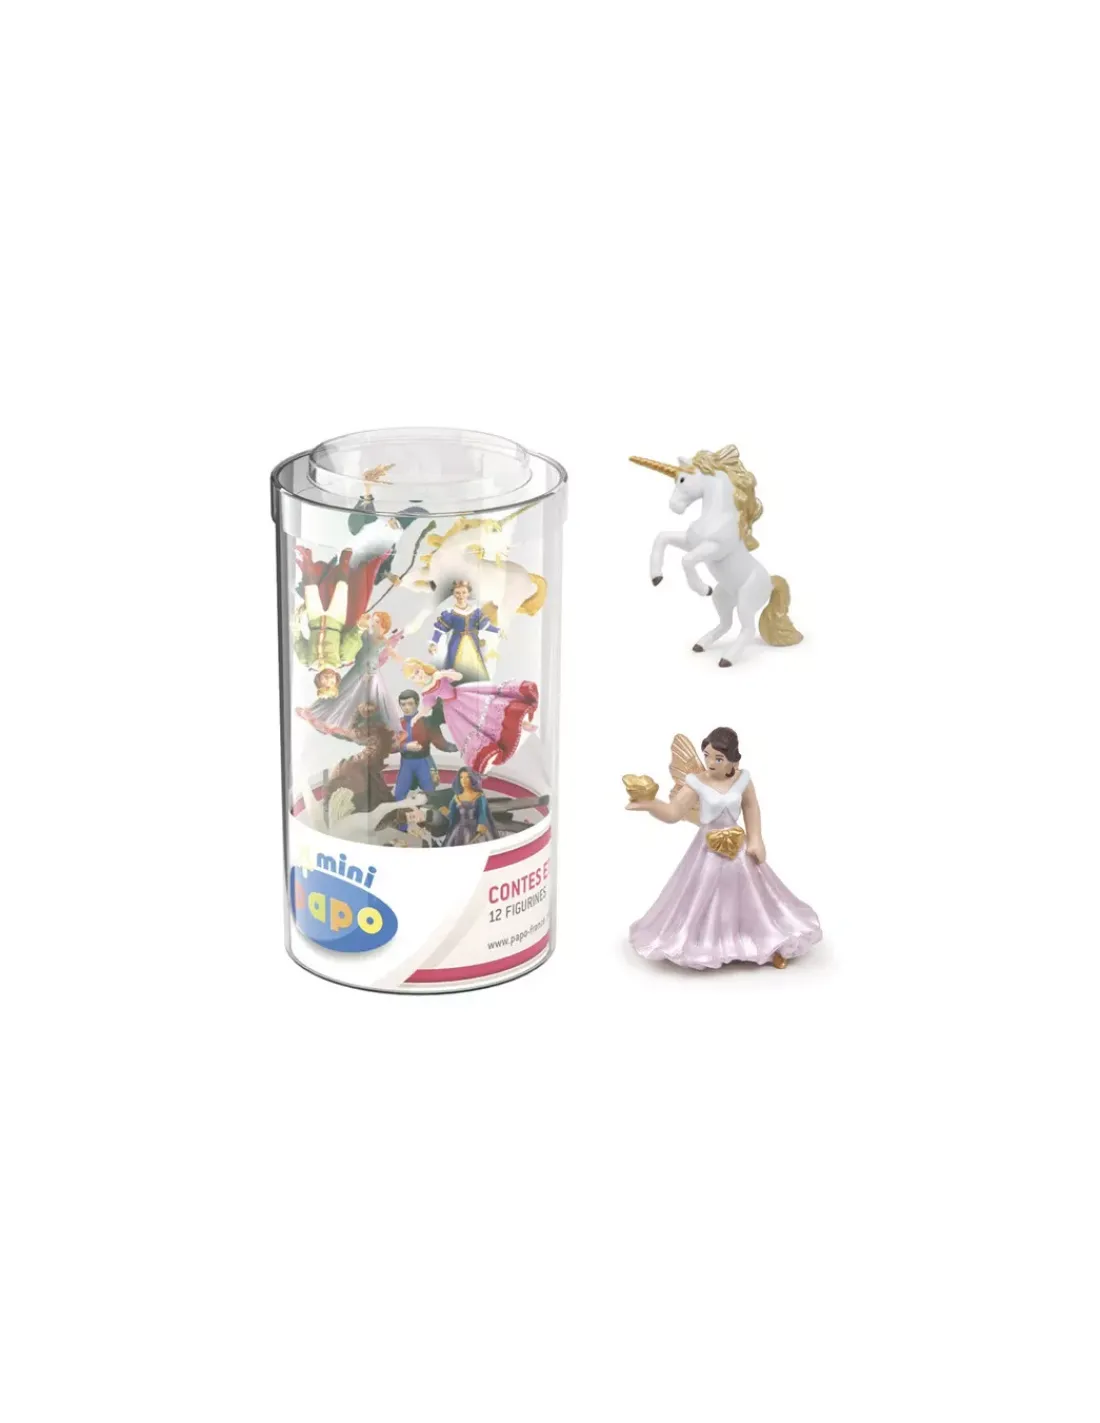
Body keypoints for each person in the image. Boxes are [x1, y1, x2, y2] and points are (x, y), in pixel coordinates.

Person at [626, 726, 821, 969]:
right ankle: (703, 942)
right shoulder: (696, 783)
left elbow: (751, 807)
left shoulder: (742, 780)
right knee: (702, 892)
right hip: (707, 847)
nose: (710, 763)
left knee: (752, 895)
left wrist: (756, 838)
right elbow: (674, 812)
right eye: (707, 756)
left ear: (732, 760)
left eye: (718, 758)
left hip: (738, 846)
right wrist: (651, 804)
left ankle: (767, 942)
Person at [401, 658, 537, 774]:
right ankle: (490, 750)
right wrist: (416, 717)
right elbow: (427, 707)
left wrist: (442, 674)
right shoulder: (426, 690)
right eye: (413, 677)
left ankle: (521, 722)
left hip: (464, 694)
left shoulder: (437, 675)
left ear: (421, 667)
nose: (418, 676)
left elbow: (458, 676)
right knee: (475, 726)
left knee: (492, 708)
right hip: (453, 711)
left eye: (417, 672)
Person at [297, 608, 403, 738]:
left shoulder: (384, 641)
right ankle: (318, 713)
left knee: (381, 699)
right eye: (373, 620)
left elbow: (391, 652)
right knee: (341, 693)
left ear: (383, 626)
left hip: (373, 672)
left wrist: (402, 660)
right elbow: (354, 638)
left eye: (376, 621)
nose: (373, 623)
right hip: (359, 669)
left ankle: (393, 730)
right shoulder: (365, 634)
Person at [428, 578, 499, 682]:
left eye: (463, 592)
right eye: (457, 593)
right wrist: (433, 642)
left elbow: (484, 626)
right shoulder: (450, 613)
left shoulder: (475, 612)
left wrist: (498, 630)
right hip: (456, 643)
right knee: (455, 667)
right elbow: (440, 629)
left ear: (468, 593)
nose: (461, 595)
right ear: (453, 594)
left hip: (473, 643)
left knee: (476, 668)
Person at [392, 688, 452, 799]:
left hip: (424, 762)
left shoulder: (427, 722)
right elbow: (390, 747)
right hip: (406, 764)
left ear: (417, 703)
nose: (406, 707)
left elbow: (441, 744)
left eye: (410, 704)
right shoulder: (398, 725)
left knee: (430, 795)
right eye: (403, 704)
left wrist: (458, 746)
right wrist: (405, 746)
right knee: (399, 795)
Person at [439, 768, 498, 846]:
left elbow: (482, 812)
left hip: (475, 828)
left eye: (467, 777)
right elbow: (453, 817)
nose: (464, 780)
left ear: (472, 779)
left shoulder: (479, 796)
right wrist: (446, 813)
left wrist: (481, 823)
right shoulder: (456, 797)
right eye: (461, 777)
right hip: (460, 830)